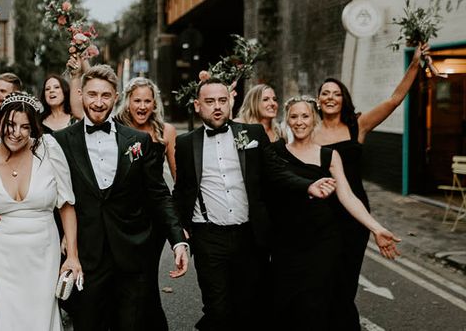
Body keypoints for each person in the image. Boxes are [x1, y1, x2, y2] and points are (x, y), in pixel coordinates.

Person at [172, 77, 337, 330]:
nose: (217, 106)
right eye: (209, 101)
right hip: (208, 237)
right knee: (217, 309)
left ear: (230, 102)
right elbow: (182, 190)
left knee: (248, 308)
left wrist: (307, 185)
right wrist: (179, 236)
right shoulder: (185, 144)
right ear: (197, 106)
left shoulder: (252, 134)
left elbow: (276, 172)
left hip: (249, 236)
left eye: (222, 101)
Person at [51, 64, 189, 331]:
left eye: (105, 96)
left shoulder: (137, 140)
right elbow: (49, 193)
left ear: (115, 98)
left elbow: (159, 194)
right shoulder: (61, 141)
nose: (99, 102)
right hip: (87, 256)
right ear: (81, 95)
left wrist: (178, 241)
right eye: (92, 95)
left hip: (132, 252)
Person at [313, 42, 427, 330]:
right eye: (325, 93)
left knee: (346, 283)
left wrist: (414, 64)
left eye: (336, 94)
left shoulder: (358, 125)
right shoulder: (307, 132)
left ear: (343, 100)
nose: (330, 97)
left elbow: (394, 99)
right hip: (318, 217)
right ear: (317, 100)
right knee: (321, 282)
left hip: (354, 215)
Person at [271, 97, 400, 329]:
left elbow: (348, 196)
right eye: (294, 116)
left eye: (305, 116)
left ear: (314, 120)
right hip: (287, 241)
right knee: (287, 305)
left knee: (318, 304)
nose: (299, 122)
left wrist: (376, 228)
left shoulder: (329, 155)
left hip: (323, 239)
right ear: (287, 121)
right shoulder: (275, 153)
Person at [0, 92, 81, 331]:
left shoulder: (48, 151)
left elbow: (66, 205)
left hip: (42, 252)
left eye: (25, 127)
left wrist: (72, 256)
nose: (16, 133)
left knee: (37, 321)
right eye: (10, 124)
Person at [113, 77, 177, 331]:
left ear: (154, 103)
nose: (142, 106)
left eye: (147, 101)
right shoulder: (115, 126)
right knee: (124, 279)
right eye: (136, 100)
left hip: (153, 218)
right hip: (122, 216)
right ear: (127, 102)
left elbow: (178, 177)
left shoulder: (166, 131)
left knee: (147, 277)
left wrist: (178, 223)